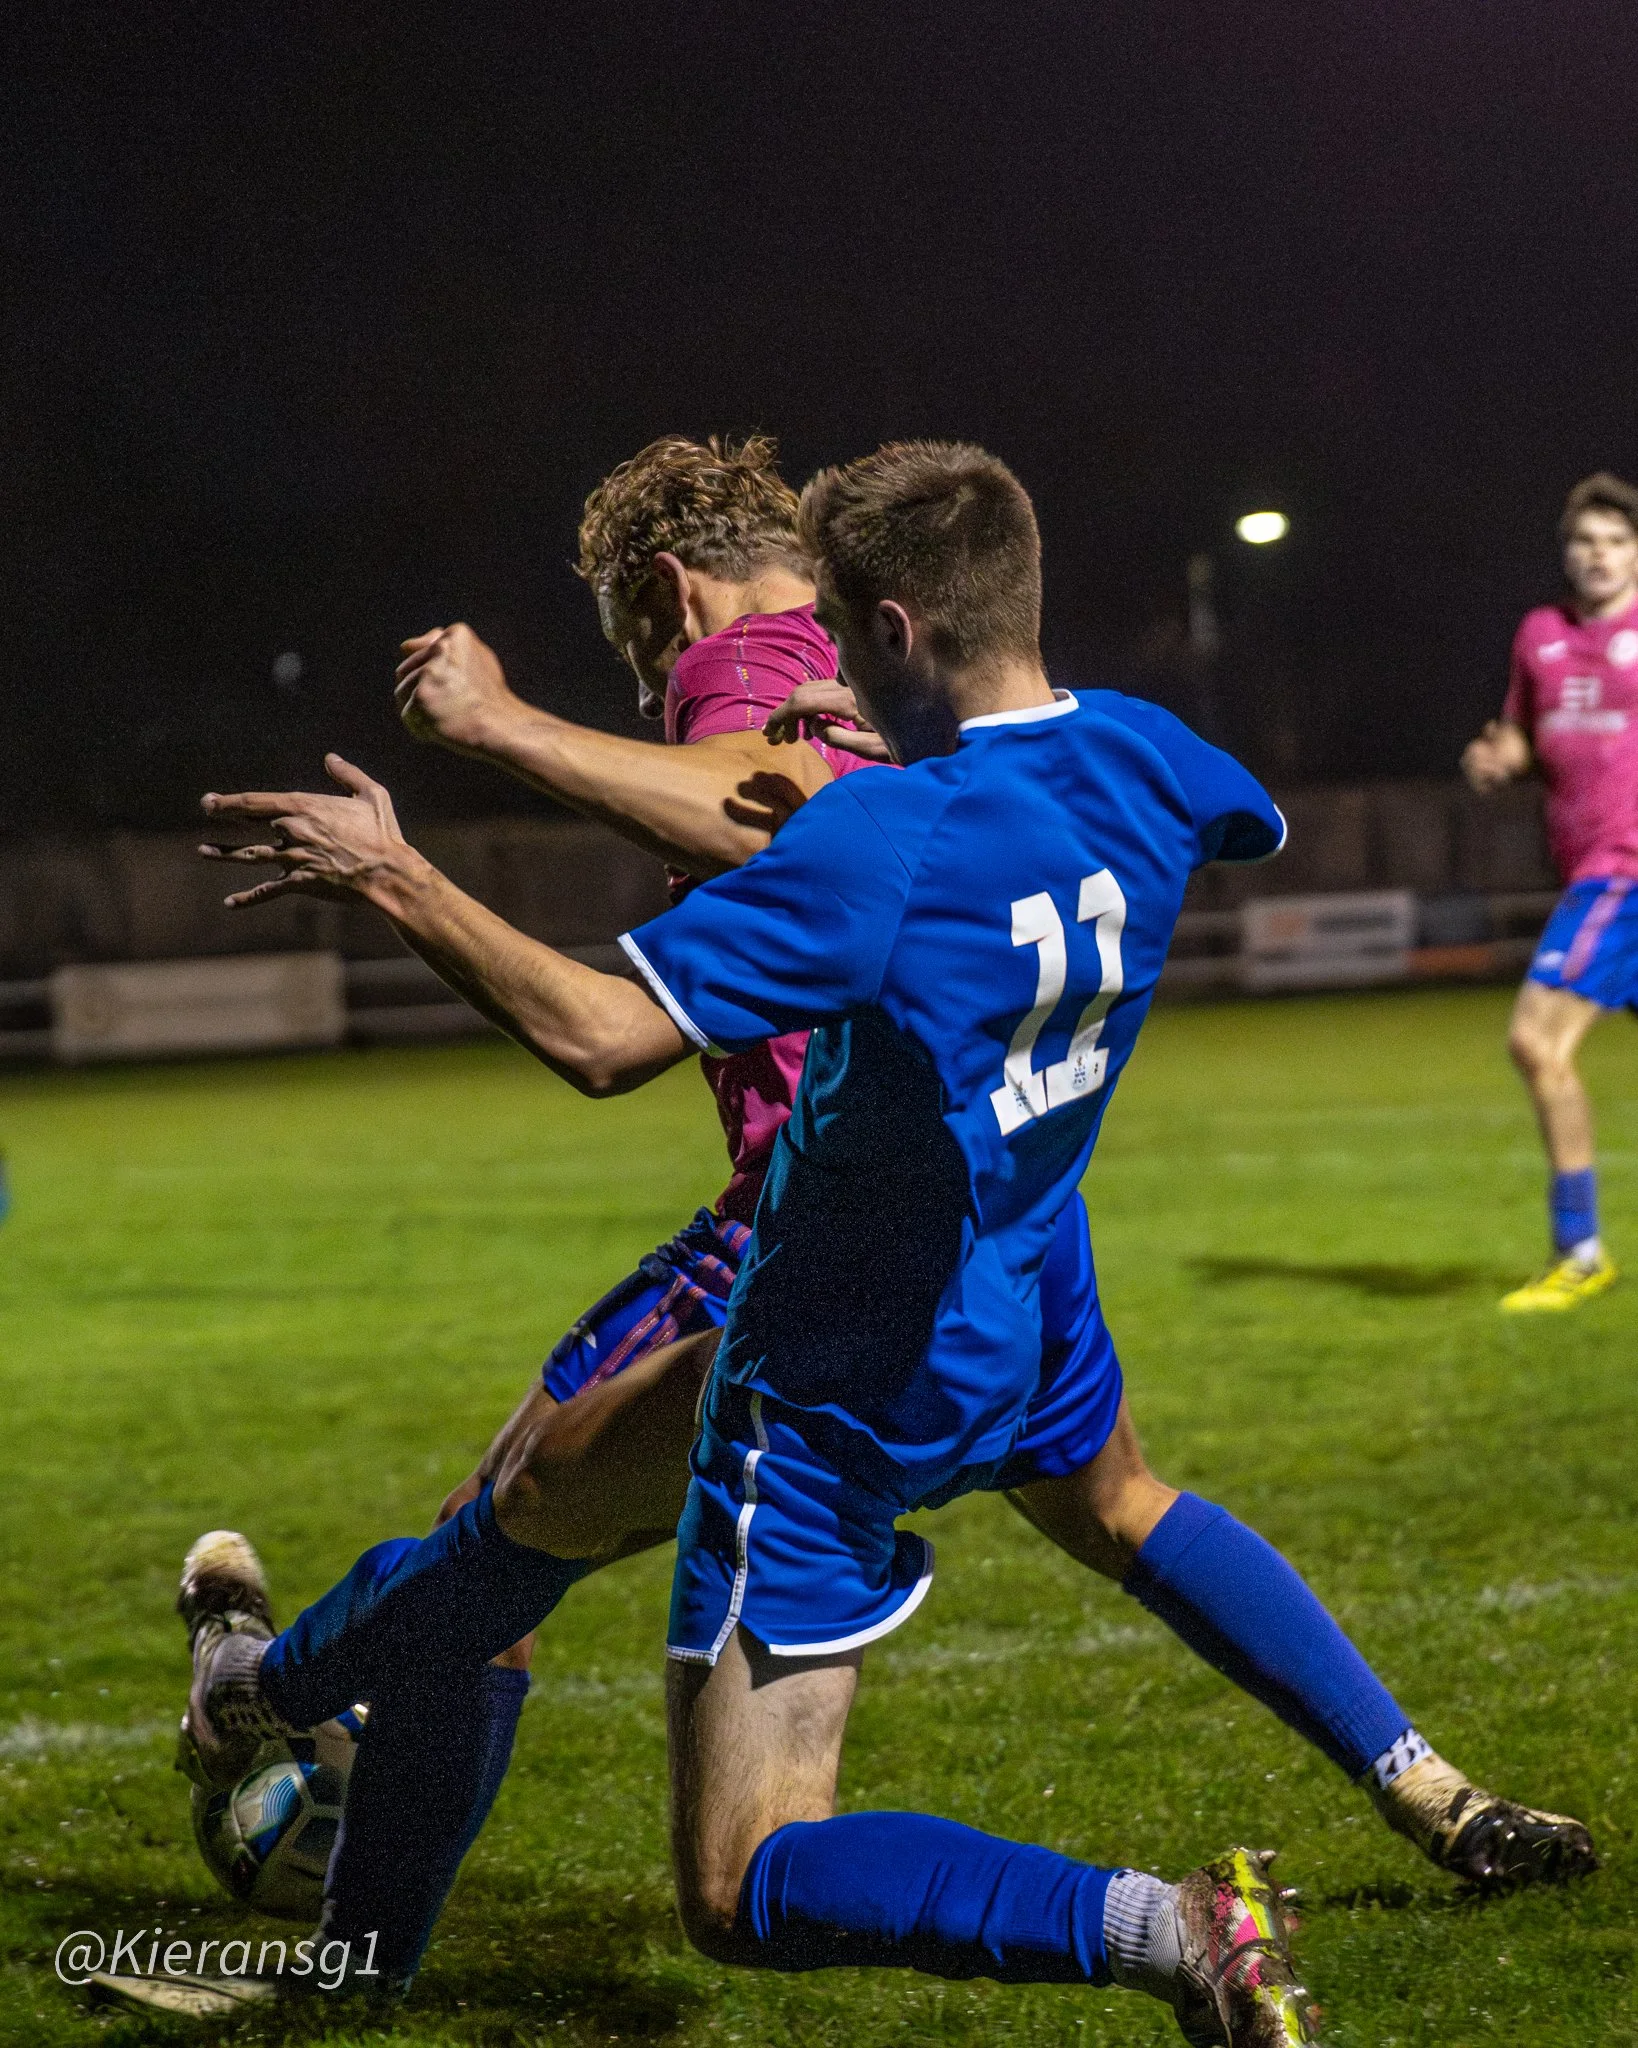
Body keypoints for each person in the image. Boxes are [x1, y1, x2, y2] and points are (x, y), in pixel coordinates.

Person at [174, 444, 1594, 2042]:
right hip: (1022, 1278)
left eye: (843, 638)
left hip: (838, 1358)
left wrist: (396, 869)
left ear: (896, 633)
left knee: (696, 1823)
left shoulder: (884, 837)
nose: (819, 673)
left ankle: (1164, 1927)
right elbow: (1235, 813)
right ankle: (1421, 1788)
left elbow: (594, 1033)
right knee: (1118, 1504)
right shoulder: (1160, 760)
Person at [1464, 470, 1638, 1311]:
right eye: (1585, 542)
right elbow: (1523, 735)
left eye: (1615, 541)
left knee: (1538, 1042)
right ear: (1567, 554)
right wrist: (1500, 755)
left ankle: (1579, 1252)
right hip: (1589, 869)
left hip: (1626, 872)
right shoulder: (1540, 634)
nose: (1598, 556)